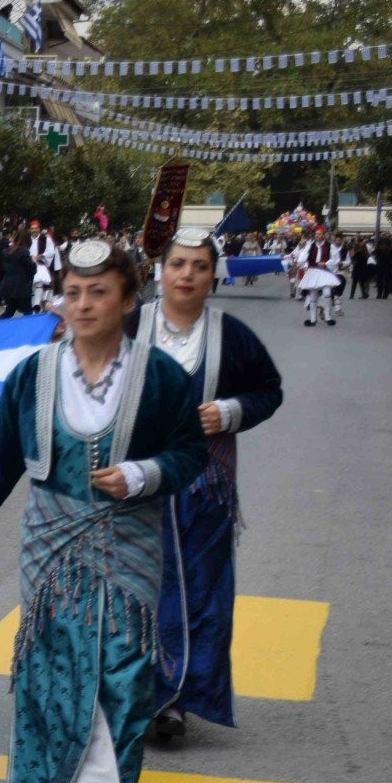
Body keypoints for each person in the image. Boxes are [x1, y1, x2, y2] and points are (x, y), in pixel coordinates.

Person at [0, 239, 208, 783]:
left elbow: (189, 454)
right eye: (73, 292)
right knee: (56, 683)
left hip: (130, 550)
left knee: (122, 685)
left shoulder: (160, 377)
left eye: (99, 292)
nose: (82, 305)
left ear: (129, 300)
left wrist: (143, 474)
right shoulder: (32, 375)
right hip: (53, 553)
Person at [128, 228, 285, 745]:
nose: (187, 275)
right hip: (139, 488)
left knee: (202, 593)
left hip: (207, 488)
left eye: (198, 266)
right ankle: (139, 692)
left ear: (212, 275)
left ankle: (177, 700)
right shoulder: (129, 326)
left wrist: (231, 411)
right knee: (144, 591)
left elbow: (269, 391)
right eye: (178, 264)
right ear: (161, 271)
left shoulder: (232, 335)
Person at [298, 229, 339, 326]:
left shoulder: (330, 246)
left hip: (325, 271)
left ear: (323, 235)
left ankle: (328, 317)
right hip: (313, 271)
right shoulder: (310, 246)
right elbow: (303, 255)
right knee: (313, 296)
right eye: (316, 234)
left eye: (319, 234)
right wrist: (301, 263)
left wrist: (326, 263)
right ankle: (313, 319)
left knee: (327, 293)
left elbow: (336, 258)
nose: (317, 235)